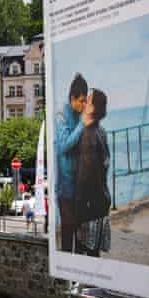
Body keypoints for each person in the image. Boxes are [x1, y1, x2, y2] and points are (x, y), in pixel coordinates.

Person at [75, 89, 111, 257]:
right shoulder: (101, 131)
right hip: (101, 199)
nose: (83, 103)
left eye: (87, 101)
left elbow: (85, 174)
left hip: (89, 203)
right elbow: (104, 164)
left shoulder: (88, 134)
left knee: (85, 251)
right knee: (94, 252)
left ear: (93, 108)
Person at [55, 73, 90, 253]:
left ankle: (81, 274)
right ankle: (66, 277)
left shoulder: (80, 114)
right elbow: (63, 146)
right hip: (66, 187)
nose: (84, 105)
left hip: (81, 186)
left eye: (86, 101)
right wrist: (82, 124)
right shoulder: (61, 115)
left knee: (82, 234)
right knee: (68, 232)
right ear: (72, 98)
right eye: (81, 101)